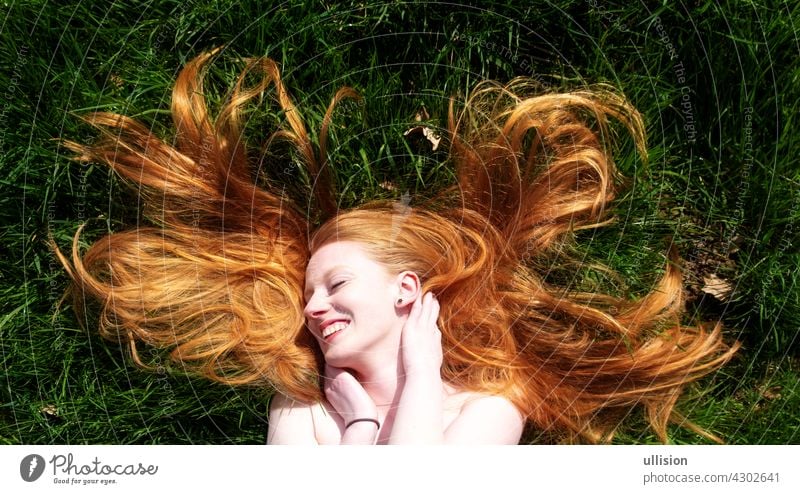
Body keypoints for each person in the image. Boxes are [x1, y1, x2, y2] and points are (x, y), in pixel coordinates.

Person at [53, 49, 738, 445]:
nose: (313, 308)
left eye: (336, 284)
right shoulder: (301, 408)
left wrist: (376, 414)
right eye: (309, 294)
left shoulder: (491, 404)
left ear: (406, 291)